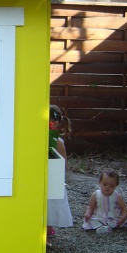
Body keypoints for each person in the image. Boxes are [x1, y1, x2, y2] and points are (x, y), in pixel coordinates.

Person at [83, 168, 127, 238]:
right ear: (100, 182)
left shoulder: (116, 196)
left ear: (116, 185)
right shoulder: (95, 194)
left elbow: (124, 207)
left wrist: (124, 216)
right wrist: (88, 213)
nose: (107, 187)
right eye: (105, 184)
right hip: (100, 217)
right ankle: (103, 228)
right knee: (90, 220)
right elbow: (91, 206)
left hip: (115, 217)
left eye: (111, 186)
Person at [47, 105, 73, 245]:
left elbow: (63, 163)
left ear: (55, 123)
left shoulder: (57, 141)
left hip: (52, 177)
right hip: (42, 176)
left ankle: (46, 229)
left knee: (50, 204)